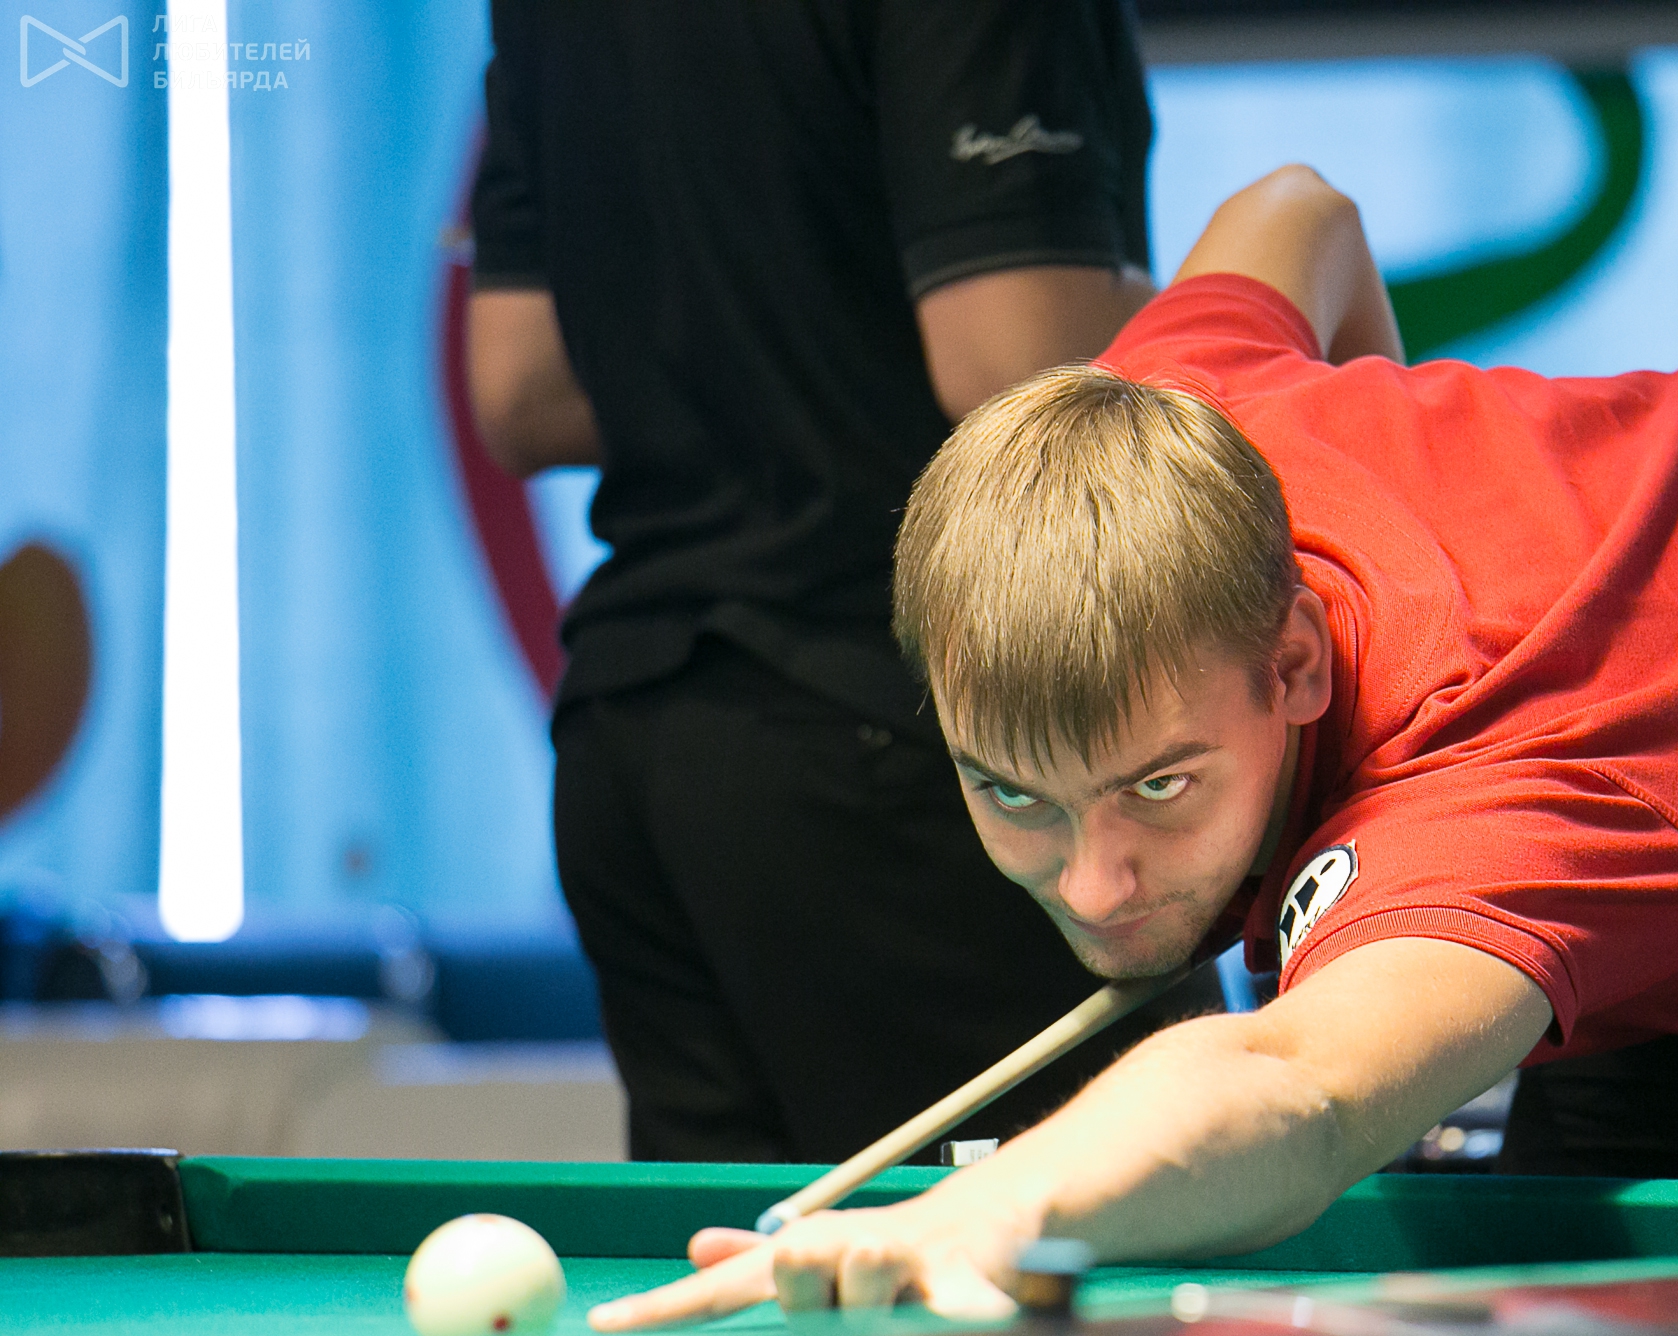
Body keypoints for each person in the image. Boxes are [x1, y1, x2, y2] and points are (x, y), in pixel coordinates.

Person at [589, 166, 1678, 1331]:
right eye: (1015, 799)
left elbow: (1301, 1089)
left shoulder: (1511, 786)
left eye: (1159, 788)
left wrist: (1015, 1206)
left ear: (1297, 661)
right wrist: (1379, 396)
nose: (1103, 883)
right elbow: (1295, 213)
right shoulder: (1162, 442)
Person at [464, 1, 1163, 1162]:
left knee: (744, 1275)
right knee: (1104, 1231)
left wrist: (773, 364)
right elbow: (1010, 358)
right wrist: (1261, 313)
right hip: (901, 738)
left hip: (638, 740)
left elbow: (522, 384)